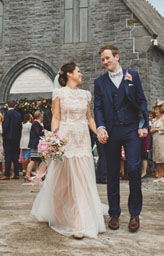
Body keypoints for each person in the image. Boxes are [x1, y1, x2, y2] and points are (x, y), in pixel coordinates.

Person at [31, 62, 107, 239]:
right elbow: (56, 117)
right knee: (64, 182)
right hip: (65, 139)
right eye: (78, 71)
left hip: (82, 139)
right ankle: (61, 215)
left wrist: (99, 131)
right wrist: (54, 138)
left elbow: (89, 119)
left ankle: (80, 222)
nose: (81, 74)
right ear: (69, 74)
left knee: (83, 181)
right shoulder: (59, 94)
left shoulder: (85, 95)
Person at [94, 45, 149, 233]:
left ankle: (135, 213)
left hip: (132, 129)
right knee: (112, 173)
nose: (105, 62)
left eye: (108, 58)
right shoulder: (100, 82)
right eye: (102, 59)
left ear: (117, 57)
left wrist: (144, 125)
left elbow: (142, 101)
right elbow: (98, 107)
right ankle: (114, 213)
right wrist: (100, 127)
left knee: (133, 169)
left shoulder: (132, 76)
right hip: (111, 131)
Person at [0, 101, 22, 180]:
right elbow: (20, 127)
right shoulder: (18, 114)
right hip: (16, 138)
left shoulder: (7, 113)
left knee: (8, 156)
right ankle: (16, 174)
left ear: (8, 106)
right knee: (16, 156)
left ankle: (7, 174)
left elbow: (5, 126)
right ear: (15, 106)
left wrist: (4, 134)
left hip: (8, 138)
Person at [26, 111, 44, 179]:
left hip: (35, 144)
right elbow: (38, 133)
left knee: (36, 159)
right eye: (42, 117)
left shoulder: (36, 123)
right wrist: (43, 131)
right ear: (40, 116)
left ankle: (37, 173)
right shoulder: (36, 123)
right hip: (35, 144)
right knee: (33, 159)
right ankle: (27, 174)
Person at [20, 113, 33, 178]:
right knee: (27, 156)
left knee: (23, 156)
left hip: (22, 140)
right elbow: (31, 132)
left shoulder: (22, 124)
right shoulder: (29, 124)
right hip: (28, 140)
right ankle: (26, 169)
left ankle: (24, 169)